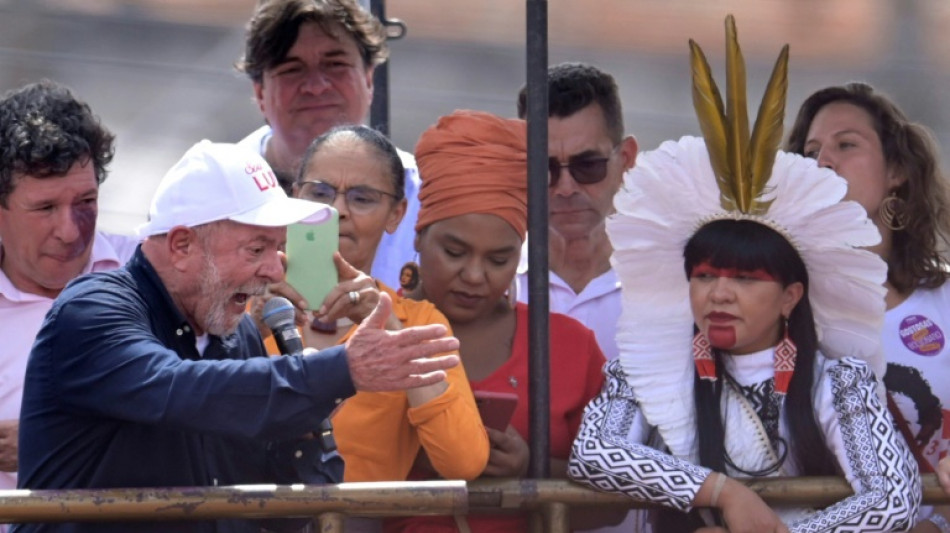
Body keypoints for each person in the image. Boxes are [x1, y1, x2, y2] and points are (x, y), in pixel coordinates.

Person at [569, 18, 920, 533]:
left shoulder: (840, 381)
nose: (720, 295)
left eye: (747, 280)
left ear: (790, 296)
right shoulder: (647, 367)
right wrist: (720, 492)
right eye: (706, 276)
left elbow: (893, 499)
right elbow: (593, 452)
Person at [12, 141, 459, 533]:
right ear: (182, 245)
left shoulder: (235, 331)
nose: (275, 269)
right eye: (257, 249)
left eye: (278, 248)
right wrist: (339, 370)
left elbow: (276, 512)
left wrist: (307, 424)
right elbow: (179, 390)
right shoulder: (93, 311)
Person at [388, 110, 608, 533]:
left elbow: (616, 503)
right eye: (454, 252)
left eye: (499, 259)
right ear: (418, 236)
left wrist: (532, 471)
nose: (474, 276)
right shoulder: (374, 331)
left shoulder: (568, 346)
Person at [264, 124, 489, 485]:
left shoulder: (414, 323)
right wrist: (248, 326)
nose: (337, 210)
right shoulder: (244, 303)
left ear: (396, 214)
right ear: (293, 197)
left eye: (362, 198)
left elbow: (463, 463)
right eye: (319, 192)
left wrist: (391, 333)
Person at [786, 82, 950, 532]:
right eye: (811, 150)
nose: (823, 161)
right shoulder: (774, 300)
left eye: (846, 144)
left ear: (896, 169)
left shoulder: (944, 298)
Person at [0, 80, 138, 518]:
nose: (71, 230)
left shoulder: (154, 273)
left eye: (86, 201)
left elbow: (208, 418)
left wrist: (47, 441)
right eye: (44, 209)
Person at [236, 0, 420, 290]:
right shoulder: (213, 193)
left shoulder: (423, 199)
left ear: (369, 79)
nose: (317, 86)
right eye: (292, 69)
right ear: (260, 92)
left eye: (336, 65)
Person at [514, 62, 638, 362]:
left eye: (588, 165)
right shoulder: (497, 280)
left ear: (626, 159)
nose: (566, 188)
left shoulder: (670, 280)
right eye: (546, 168)